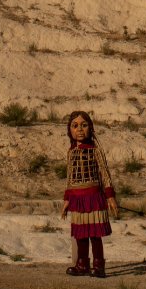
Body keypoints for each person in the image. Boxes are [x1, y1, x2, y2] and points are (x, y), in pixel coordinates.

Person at [59, 109, 118, 276]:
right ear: (69, 130)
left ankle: (99, 266)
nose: (79, 129)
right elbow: (69, 179)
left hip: (93, 196)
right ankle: (82, 264)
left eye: (84, 125)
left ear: (90, 128)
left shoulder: (95, 150)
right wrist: (66, 201)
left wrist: (110, 196)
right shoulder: (71, 153)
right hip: (77, 199)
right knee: (81, 235)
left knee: (94, 234)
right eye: (75, 126)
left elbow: (105, 173)